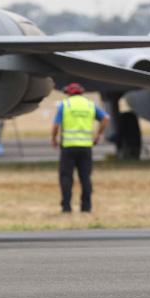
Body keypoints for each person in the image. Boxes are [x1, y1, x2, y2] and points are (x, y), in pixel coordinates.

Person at [50, 82, 110, 213]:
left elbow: (56, 126)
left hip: (68, 147)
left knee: (66, 177)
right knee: (85, 177)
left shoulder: (65, 105)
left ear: (68, 93)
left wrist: (54, 139)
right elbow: (105, 118)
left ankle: (66, 207)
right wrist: (98, 135)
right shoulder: (89, 105)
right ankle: (86, 207)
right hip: (86, 147)